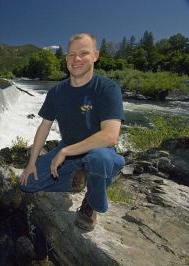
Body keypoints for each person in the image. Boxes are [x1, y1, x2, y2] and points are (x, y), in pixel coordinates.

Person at [19, 33, 125, 231]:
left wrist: (66, 152)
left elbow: (110, 136)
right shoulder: (56, 92)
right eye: (71, 55)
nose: (76, 59)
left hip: (98, 151)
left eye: (83, 53)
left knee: (101, 159)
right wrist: (31, 163)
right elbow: (44, 127)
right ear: (66, 59)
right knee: (27, 184)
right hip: (68, 150)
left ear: (95, 55)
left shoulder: (107, 88)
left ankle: (91, 204)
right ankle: (80, 179)